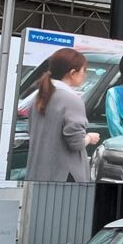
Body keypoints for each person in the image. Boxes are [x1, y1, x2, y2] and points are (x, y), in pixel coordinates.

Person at [26, 47, 99, 183]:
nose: (85, 75)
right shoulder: (72, 100)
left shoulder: (38, 96)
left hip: (36, 174)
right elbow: (76, 143)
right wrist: (89, 137)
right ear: (72, 73)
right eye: (84, 71)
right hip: (65, 177)